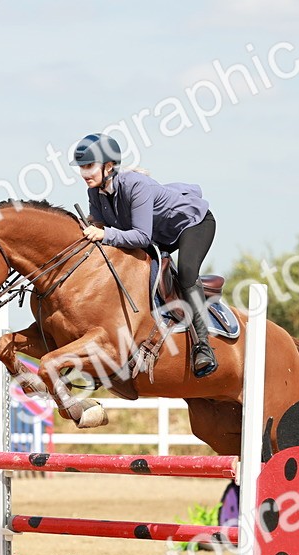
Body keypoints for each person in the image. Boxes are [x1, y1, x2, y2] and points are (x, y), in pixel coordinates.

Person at [69, 133, 219, 378]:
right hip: (159, 233)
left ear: (108, 166)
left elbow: (140, 237)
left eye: (88, 166)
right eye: (81, 168)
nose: (84, 173)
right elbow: (101, 225)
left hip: (192, 224)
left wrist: (103, 233)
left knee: (187, 272)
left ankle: (204, 345)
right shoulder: (95, 193)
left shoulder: (135, 185)